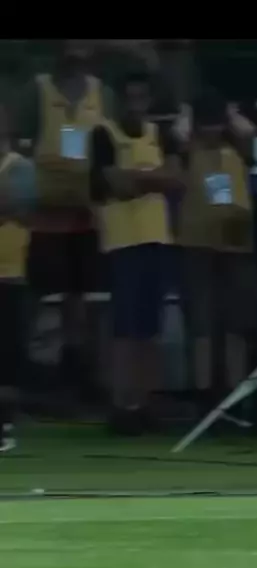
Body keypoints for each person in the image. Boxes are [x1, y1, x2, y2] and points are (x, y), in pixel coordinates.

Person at [19, 39, 114, 404]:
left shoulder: (102, 94)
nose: (77, 49)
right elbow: (19, 148)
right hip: (43, 219)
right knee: (45, 299)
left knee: (83, 301)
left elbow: (113, 150)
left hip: (88, 220)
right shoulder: (37, 90)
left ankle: (79, 372)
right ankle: (40, 375)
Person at [90, 70, 185, 434]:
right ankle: (121, 403)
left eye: (141, 98)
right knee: (124, 328)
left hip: (157, 239)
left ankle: (145, 403)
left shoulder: (161, 133)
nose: (135, 105)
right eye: (129, 98)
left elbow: (176, 180)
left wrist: (138, 177)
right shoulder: (103, 134)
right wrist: (153, 177)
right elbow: (116, 184)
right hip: (121, 242)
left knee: (151, 328)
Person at [174, 89, 257, 417]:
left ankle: (237, 397)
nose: (212, 130)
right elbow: (179, 134)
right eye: (207, 124)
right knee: (202, 324)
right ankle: (205, 396)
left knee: (236, 324)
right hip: (197, 246)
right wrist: (187, 110)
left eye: (217, 124)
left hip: (236, 246)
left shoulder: (237, 151)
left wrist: (231, 111)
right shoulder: (189, 151)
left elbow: (249, 132)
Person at [0, 103, 36, 450]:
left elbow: (20, 207)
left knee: (9, 354)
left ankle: (5, 423)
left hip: (10, 274)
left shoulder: (21, 167)